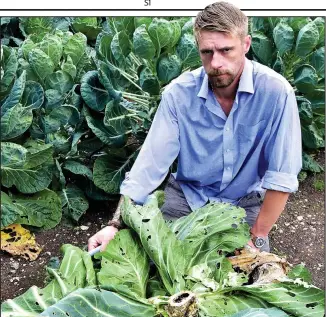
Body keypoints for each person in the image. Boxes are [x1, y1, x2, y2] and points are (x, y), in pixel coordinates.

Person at [88, 1, 302, 254]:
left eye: (226, 50)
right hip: (187, 197)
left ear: (246, 45)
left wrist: (257, 235)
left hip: (243, 202)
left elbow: (282, 174)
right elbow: (150, 164)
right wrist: (115, 224)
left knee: (242, 276)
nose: (216, 63)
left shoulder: (275, 92)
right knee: (154, 261)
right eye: (207, 53)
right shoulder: (179, 94)